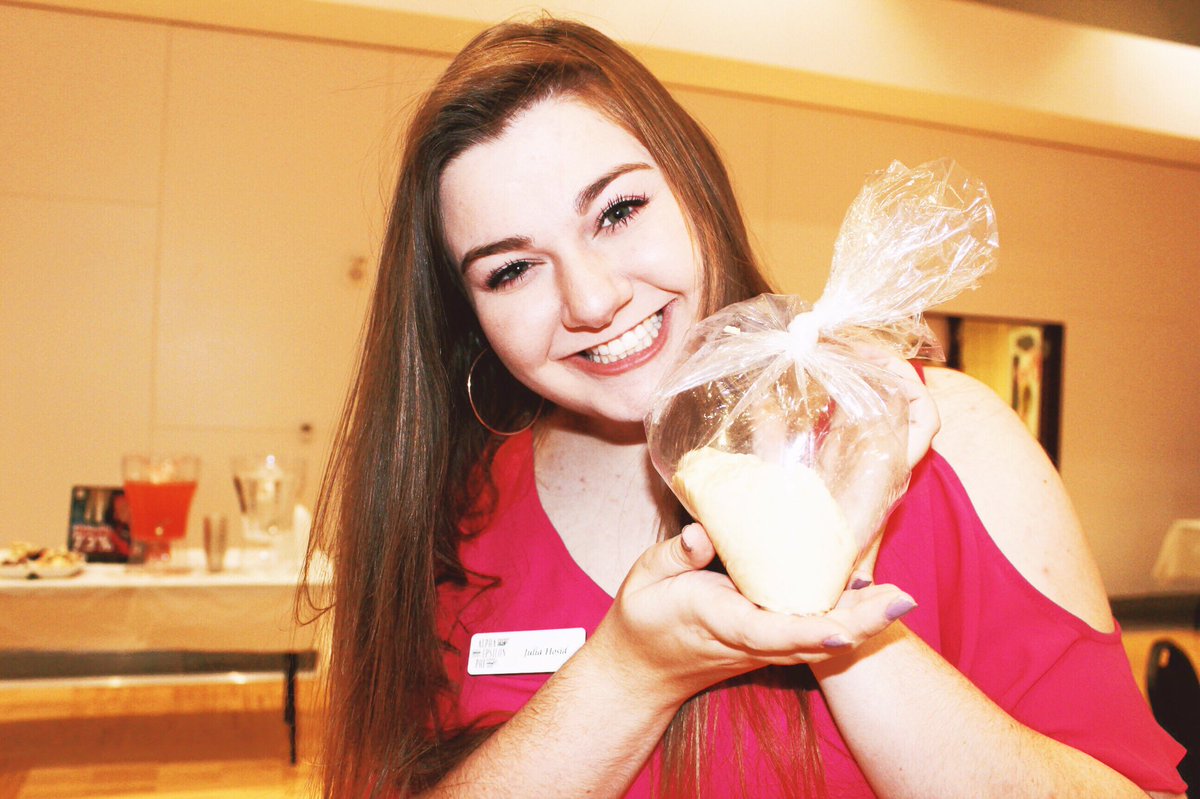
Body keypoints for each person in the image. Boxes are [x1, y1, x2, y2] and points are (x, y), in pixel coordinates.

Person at [301, 16, 1187, 799]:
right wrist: (627, 675)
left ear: (694, 187)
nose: (592, 298)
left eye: (616, 211)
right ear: (470, 318)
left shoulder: (942, 441)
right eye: (510, 268)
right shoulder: (450, 521)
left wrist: (835, 614)